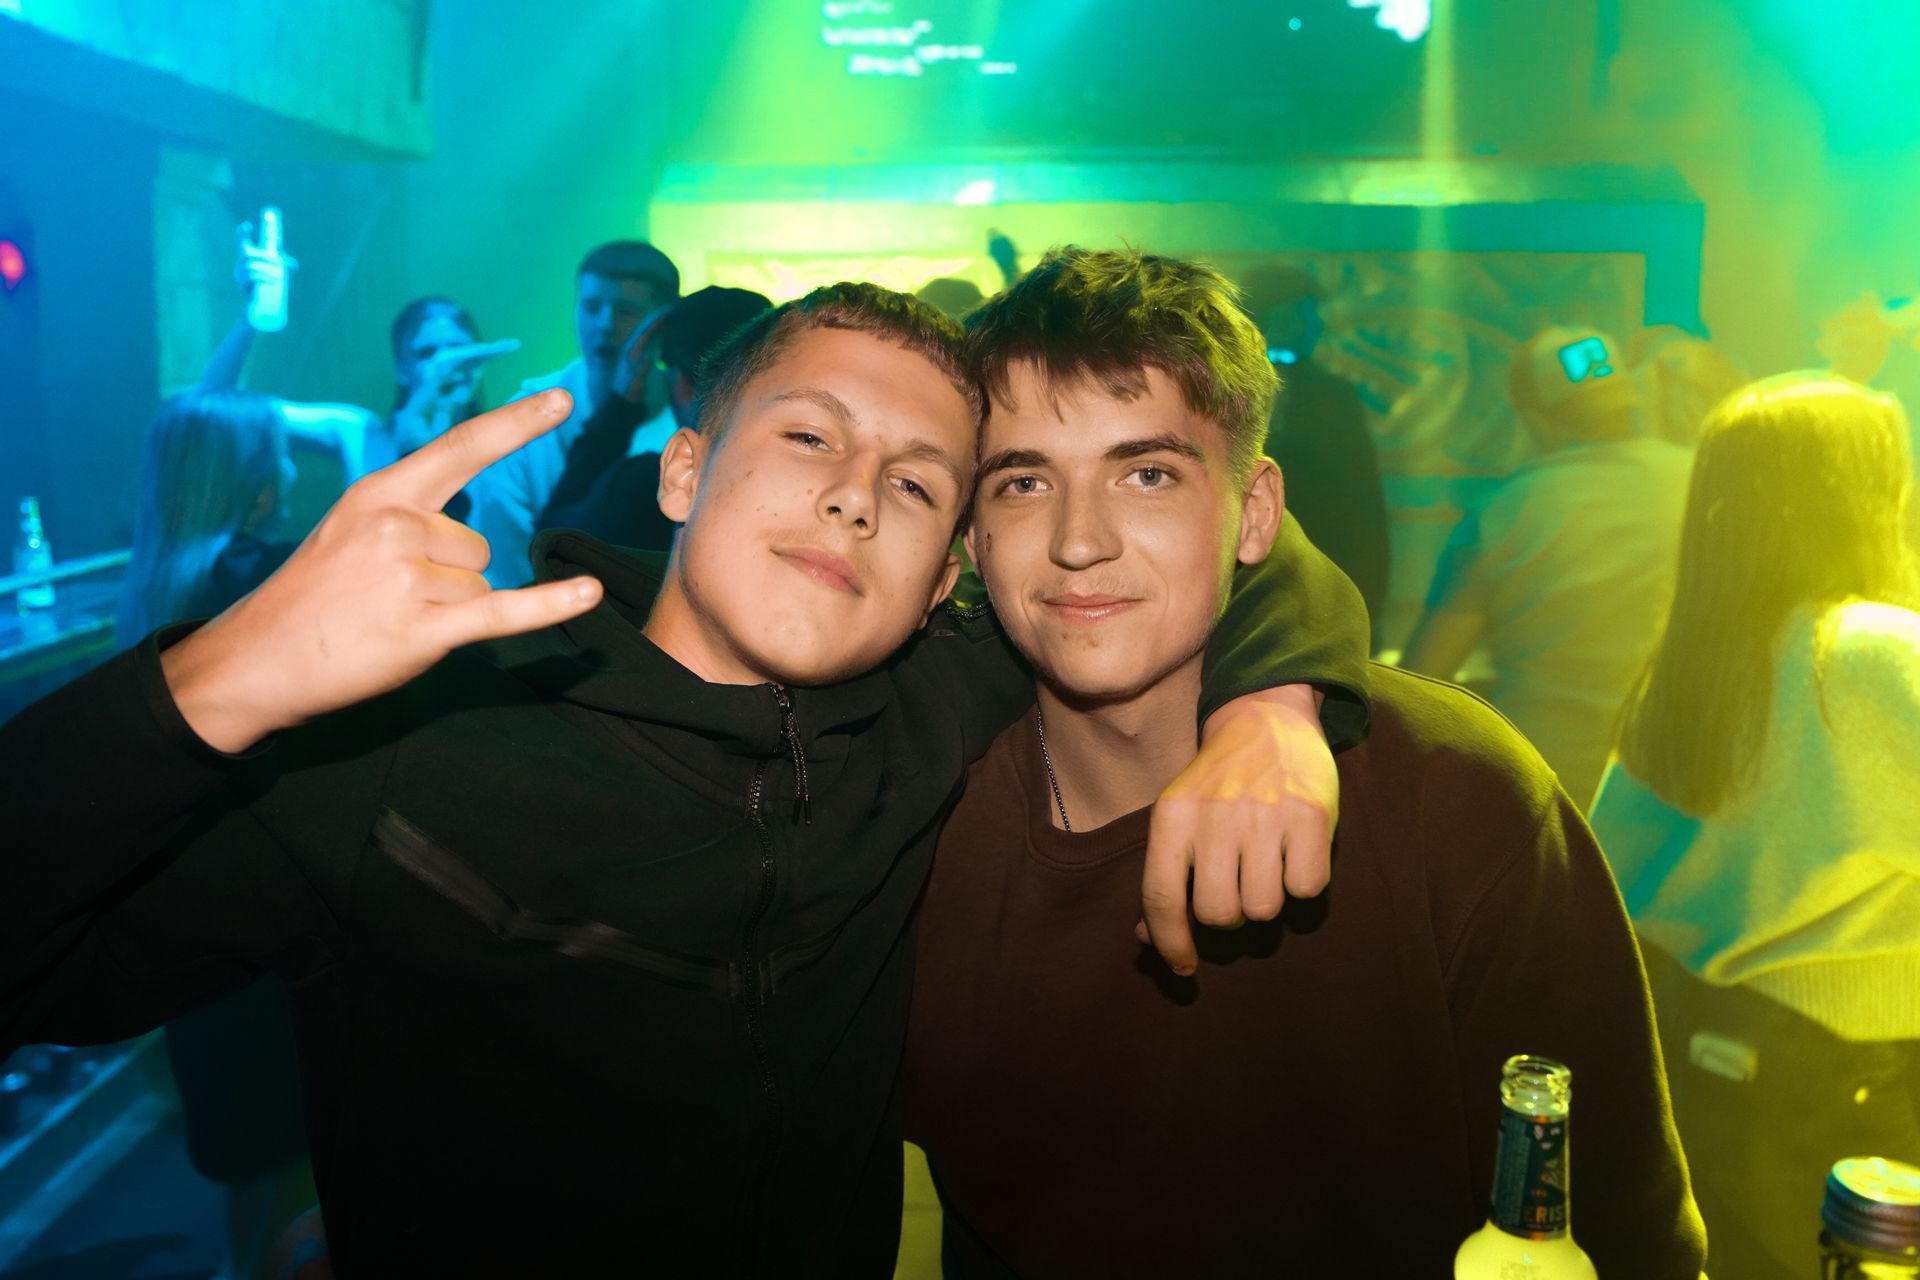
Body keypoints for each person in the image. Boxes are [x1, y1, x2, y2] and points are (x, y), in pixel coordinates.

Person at [2, 282, 1369, 1274]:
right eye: (811, 437)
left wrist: (1278, 706)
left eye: (914, 485)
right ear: (682, 472)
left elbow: (1199, 544)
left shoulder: (941, 703)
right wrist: (216, 679)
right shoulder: (414, 745)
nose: (855, 494)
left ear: (944, 575)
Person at [901, 248, 1706, 1278]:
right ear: (974, 534)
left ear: (1256, 514)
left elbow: (1625, 1233)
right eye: (1023, 482)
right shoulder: (914, 823)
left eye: (1147, 474)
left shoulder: (1458, 803)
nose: (1080, 540)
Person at [1590, 374, 1920, 1280]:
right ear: (1863, 495)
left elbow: (1608, 870)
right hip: (1852, 1081)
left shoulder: (1696, 661)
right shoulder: (1874, 650)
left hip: (1695, 1061)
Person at [116, 389, 316, 1280]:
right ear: (259, 484)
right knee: (298, 1172)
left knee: (248, 1167)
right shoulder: (260, 581)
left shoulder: (158, 587)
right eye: (279, 456)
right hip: (273, 915)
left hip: (190, 914)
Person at [1403, 325, 1693, 807]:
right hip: (1669, 780)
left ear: (1534, 419)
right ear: (1628, 399)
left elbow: (1421, 682)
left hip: (1541, 788)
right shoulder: (1702, 480)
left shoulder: (1498, 514)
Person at [475, 239, 681, 586]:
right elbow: (503, 561)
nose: (604, 325)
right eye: (591, 306)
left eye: (626, 310)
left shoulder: (692, 413)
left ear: (662, 323)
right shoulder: (525, 418)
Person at [540, 285, 774, 550]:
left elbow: (553, 541)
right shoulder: (790, 481)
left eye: (626, 310)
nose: (606, 325)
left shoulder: (651, 486)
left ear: (680, 381)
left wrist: (620, 405)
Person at [1241, 262, 1390, 638]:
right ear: (1276, 313)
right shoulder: (1226, 390)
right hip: (1243, 588)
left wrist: (1369, 598)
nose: (1317, 324)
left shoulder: (1333, 397)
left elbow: (1363, 502)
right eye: (1306, 312)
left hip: (1323, 584)